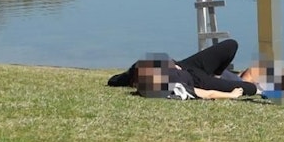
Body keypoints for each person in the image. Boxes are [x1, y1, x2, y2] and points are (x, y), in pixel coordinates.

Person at [109, 39, 258, 100]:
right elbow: (207, 94)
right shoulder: (173, 88)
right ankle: (230, 79)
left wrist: (173, 64)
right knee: (250, 88)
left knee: (231, 45)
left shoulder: (145, 69)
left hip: (188, 65)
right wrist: (231, 96)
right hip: (198, 81)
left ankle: (218, 75)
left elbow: (159, 59)